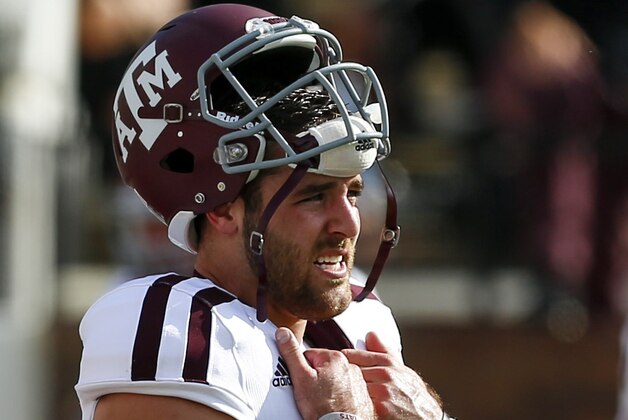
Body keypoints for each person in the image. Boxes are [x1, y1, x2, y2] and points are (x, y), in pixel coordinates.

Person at [75, 4, 452, 419]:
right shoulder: (176, 331)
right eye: (312, 196)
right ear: (221, 208)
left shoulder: (363, 323)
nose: (348, 223)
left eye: (353, 193)